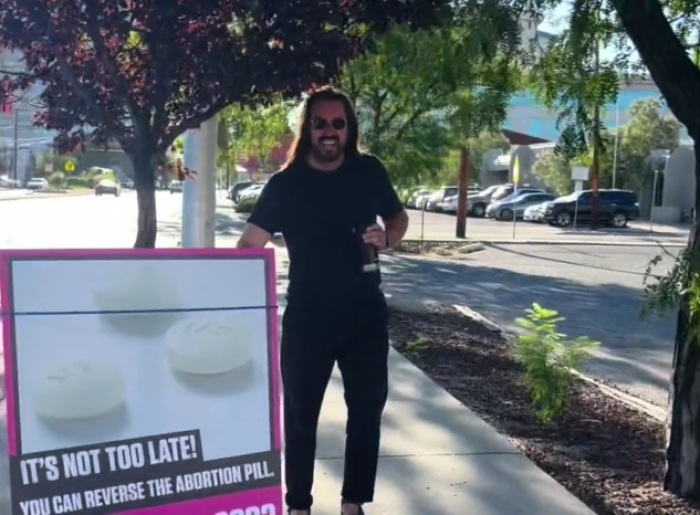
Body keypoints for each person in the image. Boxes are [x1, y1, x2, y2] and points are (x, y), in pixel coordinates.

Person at [236, 86, 409, 515]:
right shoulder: (285, 184)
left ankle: (353, 504)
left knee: (366, 414)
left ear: (349, 128)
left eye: (338, 123)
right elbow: (249, 244)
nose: (329, 131)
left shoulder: (369, 171)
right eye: (320, 123)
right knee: (299, 419)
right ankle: (298, 507)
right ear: (307, 128)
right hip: (308, 319)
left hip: (365, 315)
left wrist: (387, 237)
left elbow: (398, 216)